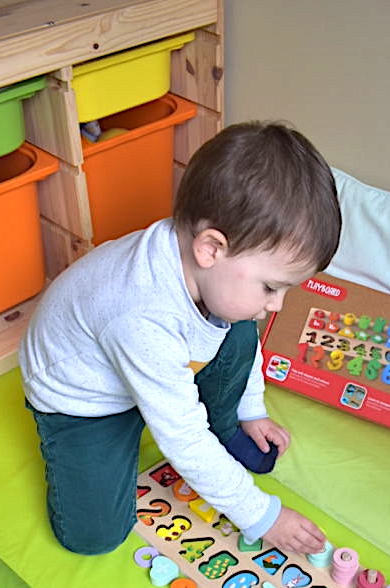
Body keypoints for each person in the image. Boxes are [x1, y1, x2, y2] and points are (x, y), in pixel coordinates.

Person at [20, 121, 341, 556]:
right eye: (271, 287)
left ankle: (225, 426)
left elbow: (241, 340)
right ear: (210, 248)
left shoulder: (213, 277)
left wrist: (250, 410)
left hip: (152, 364)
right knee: (93, 537)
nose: (277, 305)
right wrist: (262, 515)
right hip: (85, 401)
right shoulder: (142, 315)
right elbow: (184, 440)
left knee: (241, 326)